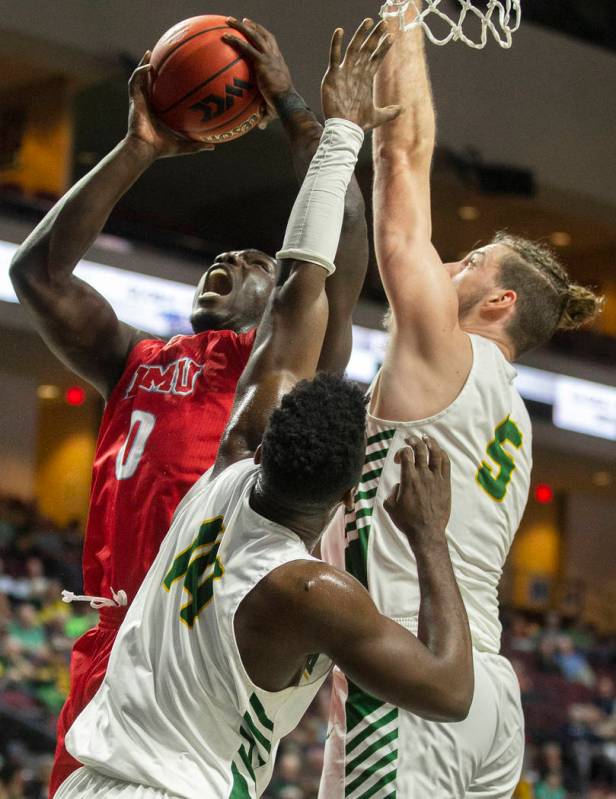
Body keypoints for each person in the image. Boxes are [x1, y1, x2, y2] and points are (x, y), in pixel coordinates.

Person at [53, 20, 473, 799]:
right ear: (352, 496)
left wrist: (322, 119)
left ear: (260, 435)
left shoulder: (228, 464)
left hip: (108, 752)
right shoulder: (310, 588)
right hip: (155, 749)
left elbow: (306, 278)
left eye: (256, 260)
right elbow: (450, 690)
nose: (233, 260)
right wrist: (429, 537)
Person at [9, 19, 370, 798]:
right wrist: (138, 145)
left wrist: (294, 106)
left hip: (191, 646)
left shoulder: (280, 376)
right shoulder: (135, 358)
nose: (229, 257)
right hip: (111, 642)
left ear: (282, 300)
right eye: (223, 255)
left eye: (255, 261)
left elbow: (339, 239)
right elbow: (36, 273)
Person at [319, 3, 604, 798]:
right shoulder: (511, 416)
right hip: (486, 695)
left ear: (500, 301)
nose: (452, 261)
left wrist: (404, 20)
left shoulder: (446, 350)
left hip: (413, 674)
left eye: (473, 258)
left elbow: (404, 158)